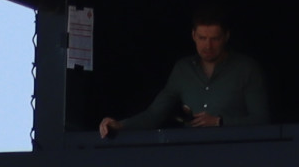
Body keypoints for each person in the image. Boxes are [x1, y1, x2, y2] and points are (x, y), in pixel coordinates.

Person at [99, 10, 270, 135]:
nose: (208, 46)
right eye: (202, 38)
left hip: (238, 153)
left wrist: (220, 122)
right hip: (192, 155)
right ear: (193, 35)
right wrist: (120, 125)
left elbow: (262, 119)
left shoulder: (246, 68)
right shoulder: (183, 69)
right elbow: (155, 114)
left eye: (214, 39)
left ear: (226, 37)